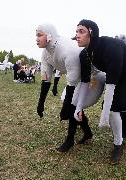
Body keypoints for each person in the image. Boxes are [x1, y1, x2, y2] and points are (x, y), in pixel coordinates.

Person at [72, 19, 126, 164]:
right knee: (111, 106)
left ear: (91, 33)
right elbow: (85, 82)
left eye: (81, 31)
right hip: (117, 77)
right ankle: (120, 135)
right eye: (76, 32)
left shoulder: (110, 46)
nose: (77, 35)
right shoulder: (84, 54)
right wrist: (78, 107)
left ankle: (119, 144)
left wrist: (104, 117)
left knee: (112, 108)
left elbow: (110, 86)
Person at [36, 23, 104, 152]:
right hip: (78, 79)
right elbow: (45, 79)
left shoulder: (67, 50)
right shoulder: (46, 53)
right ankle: (87, 132)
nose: (36, 38)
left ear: (49, 36)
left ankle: (70, 140)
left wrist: (65, 109)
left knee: (72, 104)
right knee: (69, 103)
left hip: (93, 77)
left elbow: (72, 84)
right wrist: (41, 103)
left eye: (39, 35)